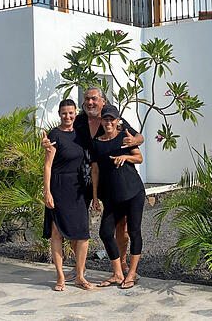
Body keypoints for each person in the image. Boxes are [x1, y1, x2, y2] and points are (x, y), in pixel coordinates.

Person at [74, 86, 144, 270]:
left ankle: (121, 263)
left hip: (110, 181)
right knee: (79, 221)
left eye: (94, 99)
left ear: (103, 101)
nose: (90, 102)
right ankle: (78, 267)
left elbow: (138, 138)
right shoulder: (79, 120)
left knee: (121, 225)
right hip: (81, 178)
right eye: (87, 99)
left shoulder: (114, 120)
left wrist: (133, 142)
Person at [90, 104, 145, 289]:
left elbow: (139, 158)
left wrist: (126, 157)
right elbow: (95, 170)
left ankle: (131, 273)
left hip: (133, 192)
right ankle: (117, 273)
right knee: (105, 232)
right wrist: (95, 197)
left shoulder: (124, 137)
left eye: (112, 119)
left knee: (135, 231)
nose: (109, 122)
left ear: (117, 120)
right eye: (105, 119)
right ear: (102, 120)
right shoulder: (97, 142)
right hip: (112, 197)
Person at [41, 99, 93, 291]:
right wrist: (47, 192)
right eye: (64, 113)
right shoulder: (54, 135)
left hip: (78, 187)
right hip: (59, 186)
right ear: (59, 114)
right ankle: (61, 277)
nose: (68, 116)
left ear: (75, 113)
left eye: (71, 113)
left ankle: (79, 275)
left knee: (83, 233)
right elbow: (47, 166)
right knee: (57, 232)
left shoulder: (79, 134)